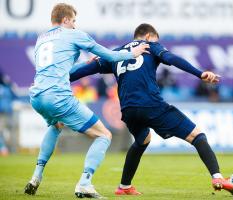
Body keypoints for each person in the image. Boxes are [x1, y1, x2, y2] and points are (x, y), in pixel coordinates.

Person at [69, 23, 233, 196]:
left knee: (142, 139)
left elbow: (83, 71)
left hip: (128, 110)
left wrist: (57, 79)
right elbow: (172, 59)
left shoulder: (115, 52)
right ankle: (217, 177)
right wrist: (199, 73)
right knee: (197, 136)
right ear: (148, 36)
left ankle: (124, 186)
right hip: (150, 105)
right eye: (155, 39)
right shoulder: (150, 45)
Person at [24, 3, 149, 199]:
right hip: (58, 96)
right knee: (104, 135)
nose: (74, 24)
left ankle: (35, 177)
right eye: (73, 20)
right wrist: (133, 53)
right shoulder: (74, 33)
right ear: (65, 20)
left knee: (56, 125)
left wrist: (84, 64)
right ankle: (84, 183)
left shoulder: (42, 38)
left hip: (37, 96)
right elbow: (109, 55)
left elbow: (58, 69)